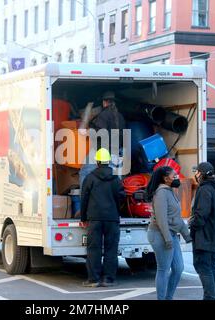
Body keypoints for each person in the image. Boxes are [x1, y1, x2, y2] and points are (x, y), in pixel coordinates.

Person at [80, 148, 124, 287]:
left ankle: (93, 279)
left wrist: (83, 218)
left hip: (95, 219)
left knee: (94, 249)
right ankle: (108, 279)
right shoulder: (116, 179)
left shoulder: (90, 178)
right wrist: (117, 212)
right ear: (109, 162)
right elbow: (121, 198)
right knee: (111, 249)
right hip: (112, 219)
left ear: (97, 162)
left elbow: (84, 199)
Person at [146, 166, 192, 300]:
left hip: (171, 235)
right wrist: (167, 239)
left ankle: (168, 297)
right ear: (166, 179)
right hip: (160, 235)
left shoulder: (171, 191)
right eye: (174, 176)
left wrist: (187, 236)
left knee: (178, 269)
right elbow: (161, 219)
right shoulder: (161, 193)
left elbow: (176, 218)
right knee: (163, 270)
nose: (177, 177)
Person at [189, 162, 215, 300]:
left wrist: (192, 226)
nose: (196, 174)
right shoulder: (214, 189)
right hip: (212, 237)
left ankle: (210, 298)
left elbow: (201, 216)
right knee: (211, 267)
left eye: (197, 171)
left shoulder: (204, 189)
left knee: (204, 267)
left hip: (204, 238)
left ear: (201, 174)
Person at [79, 91, 126, 189]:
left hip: (103, 151)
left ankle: (84, 201)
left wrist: (86, 132)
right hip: (117, 152)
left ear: (104, 102)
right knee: (114, 179)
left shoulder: (104, 115)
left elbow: (100, 133)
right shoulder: (120, 116)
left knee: (84, 172)